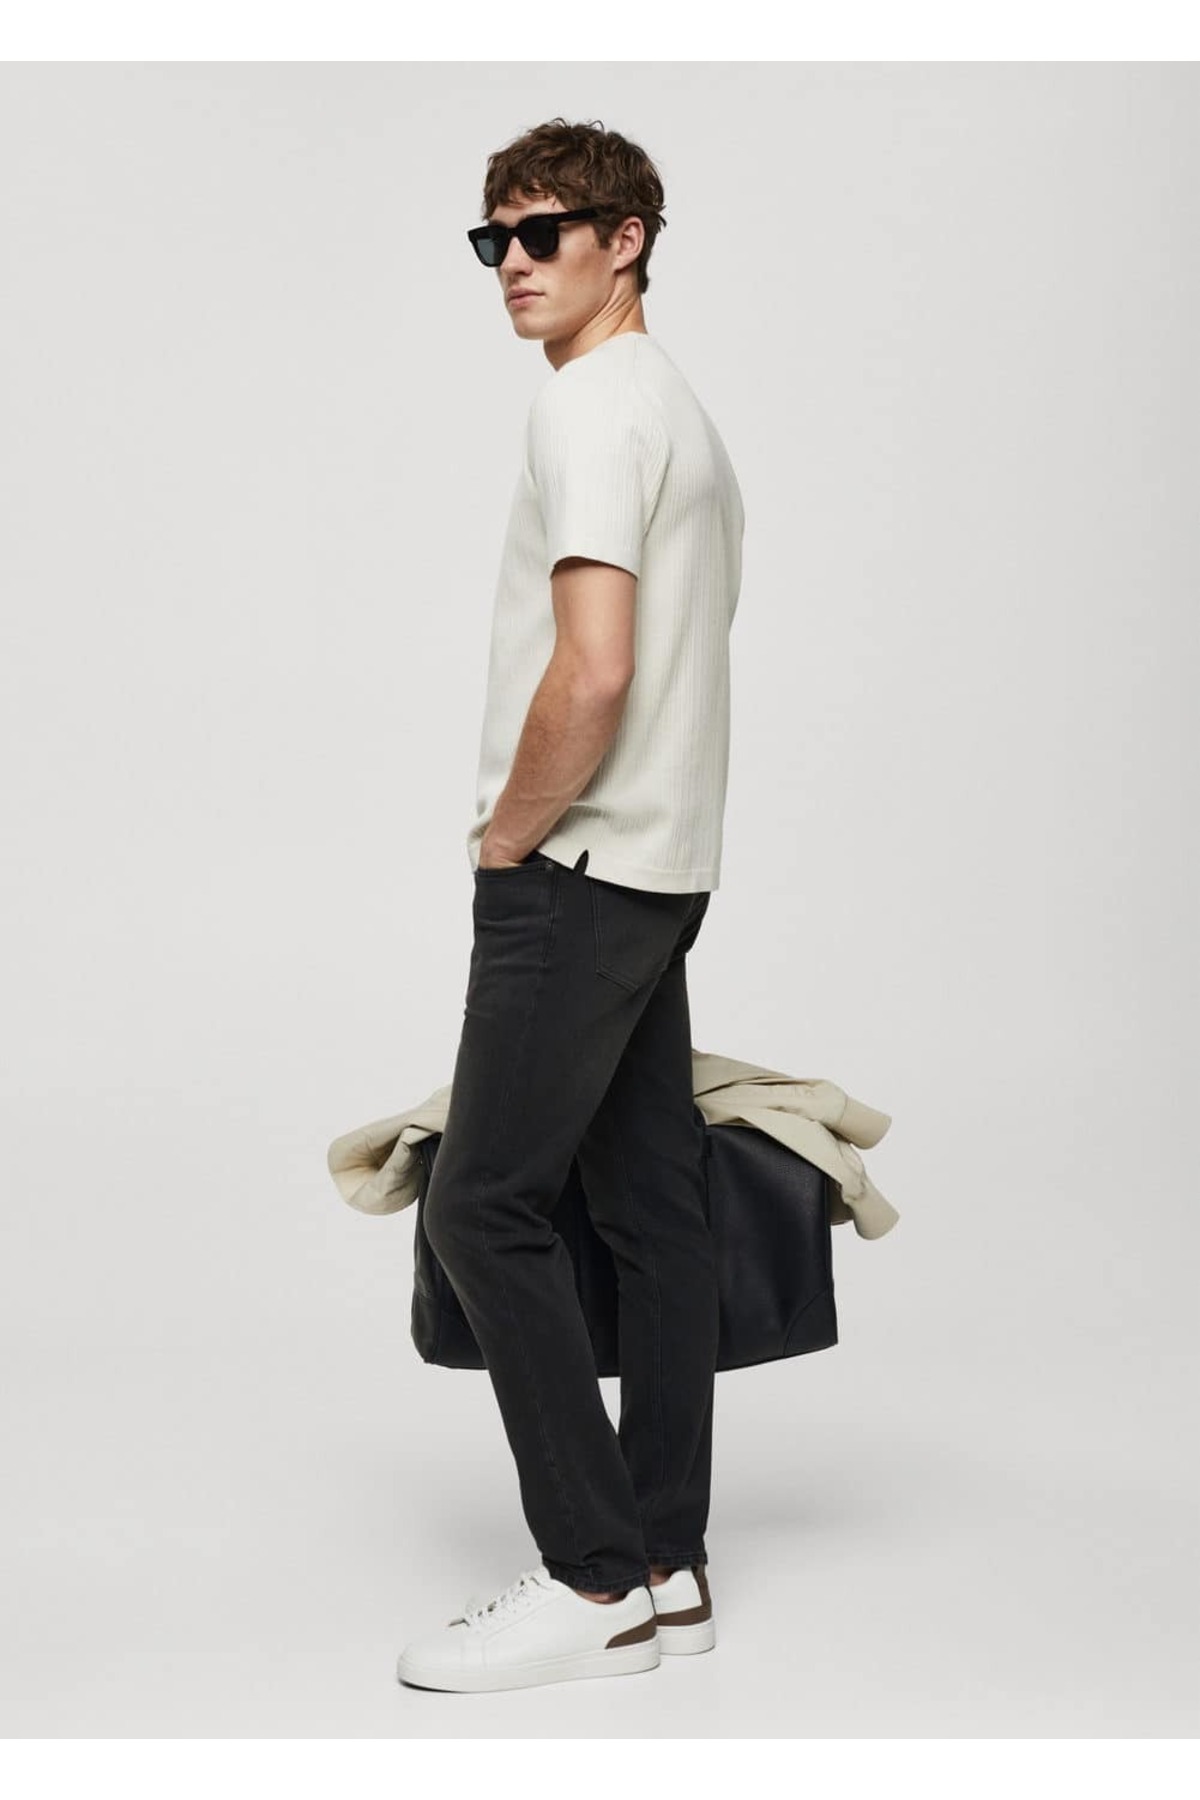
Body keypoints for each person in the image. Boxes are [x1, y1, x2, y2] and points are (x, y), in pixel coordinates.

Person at [396, 116, 745, 1693]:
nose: (515, 265)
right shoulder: (679, 411)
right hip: (662, 869)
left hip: (579, 869)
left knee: (482, 1206)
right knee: (655, 1214)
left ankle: (594, 1577)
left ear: (630, 240)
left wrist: (506, 839)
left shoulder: (592, 408)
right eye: (497, 240)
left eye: (547, 233)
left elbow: (595, 671)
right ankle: (667, 1559)